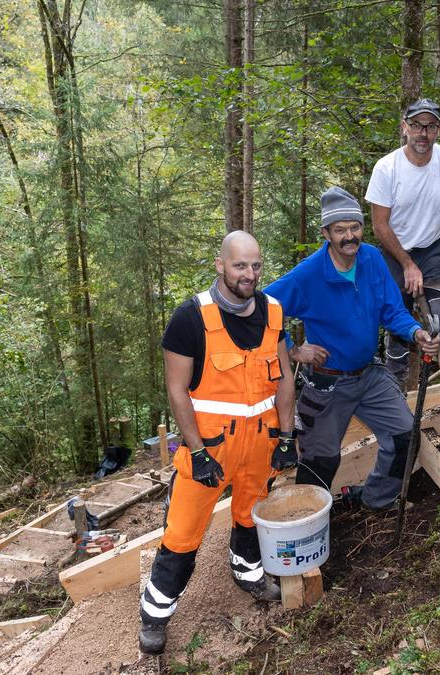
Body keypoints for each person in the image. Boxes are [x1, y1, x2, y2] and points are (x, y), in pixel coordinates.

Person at [139, 231, 298, 655]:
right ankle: (155, 611)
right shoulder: (189, 318)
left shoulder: (274, 312)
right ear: (220, 264)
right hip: (209, 448)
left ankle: (247, 570)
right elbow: (177, 391)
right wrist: (194, 449)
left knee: (250, 514)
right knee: (184, 532)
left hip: (261, 444)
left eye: (256, 265)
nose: (249, 274)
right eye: (240, 265)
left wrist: (287, 434)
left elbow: (283, 379)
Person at [265, 187, 440, 511]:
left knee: (405, 435)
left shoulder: (372, 258)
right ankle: (309, 527)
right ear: (326, 233)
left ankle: (378, 499)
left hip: (369, 374)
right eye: (340, 230)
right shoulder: (310, 274)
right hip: (328, 384)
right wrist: (292, 351)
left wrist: (415, 332)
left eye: (355, 227)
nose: (350, 236)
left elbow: (391, 310)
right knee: (321, 461)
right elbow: (264, 308)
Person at [365, 98, 440, 410]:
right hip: (394, 251)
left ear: (438, 130)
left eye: (431, 126)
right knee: (398, 319)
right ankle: (393, 386)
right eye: (417, 125)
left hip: (432, 250)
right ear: (405, 126)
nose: (423, 133)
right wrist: (407, 264)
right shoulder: (387, 168)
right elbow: (379, 226)